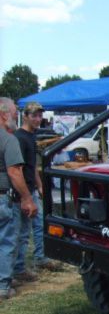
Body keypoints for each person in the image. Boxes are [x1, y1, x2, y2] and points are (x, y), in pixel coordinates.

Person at [14, 102, 63, 274]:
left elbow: (32, 165)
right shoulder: (19, 137)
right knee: (22, 231)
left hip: (32, 189)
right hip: (23, 191)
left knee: (39, 224)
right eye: (34, 115)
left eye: (40, 116)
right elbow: (17, 168)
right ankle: (19, 268)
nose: (38, 119)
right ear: (25, 116)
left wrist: (40, 186)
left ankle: (40, 258)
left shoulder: (31, 136)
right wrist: (24, 196)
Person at [0, 97, 38, 301]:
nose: (16, 116)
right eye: (15, 113)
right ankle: (3, 285)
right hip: (3, 198)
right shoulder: (8, 139)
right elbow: (14, 172)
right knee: (7, 241)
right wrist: (27, 198)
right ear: (3, 114)